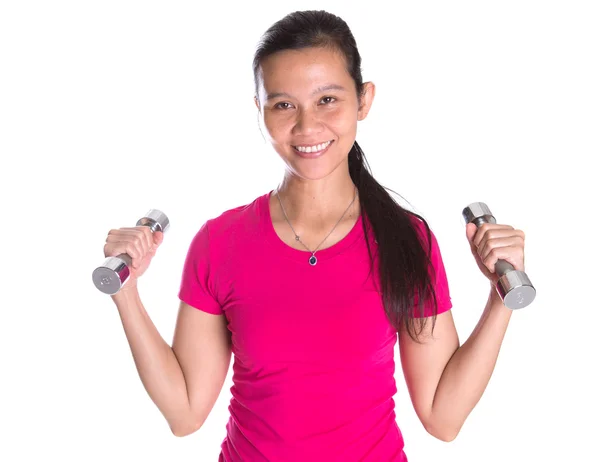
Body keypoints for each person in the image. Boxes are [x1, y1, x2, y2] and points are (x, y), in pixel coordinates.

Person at [103, 9, 527, 462]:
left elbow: (443, 418)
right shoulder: (220, 243)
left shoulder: (406, 239)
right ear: (260, 110)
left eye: (328, 100)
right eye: (283, 104)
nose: (307, 127)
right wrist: (125, 292)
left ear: (364, 100)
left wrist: (502, 297)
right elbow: (185, 413)